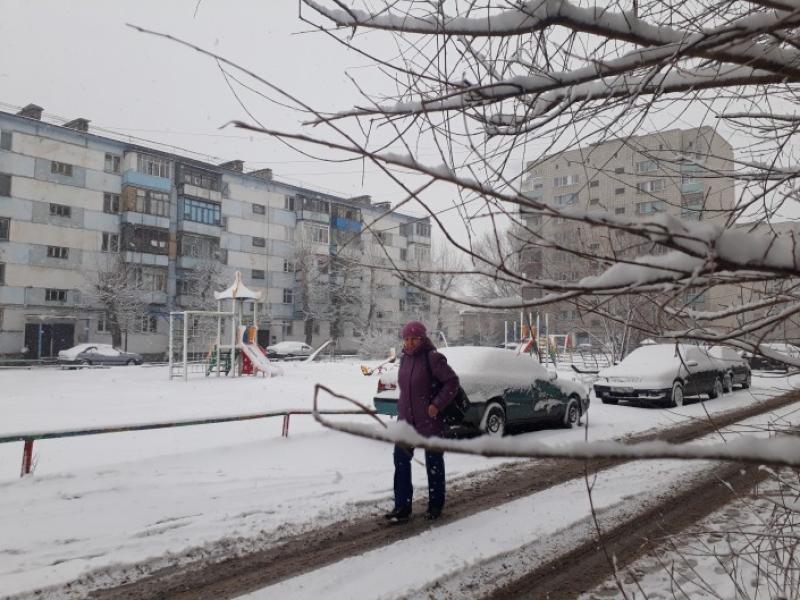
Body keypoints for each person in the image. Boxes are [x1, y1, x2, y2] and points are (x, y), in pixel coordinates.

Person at [385, 321, 459, 523]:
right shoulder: (404, 359)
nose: (409, 343)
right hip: (407, 421)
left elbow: (452, 382)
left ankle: (435, 506)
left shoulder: (432, 357)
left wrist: (436, 405)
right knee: (400, 460)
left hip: (430, 421)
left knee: (433, 463)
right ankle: (402, 507)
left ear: (422, 339)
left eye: (413, 339)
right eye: (406, 339)